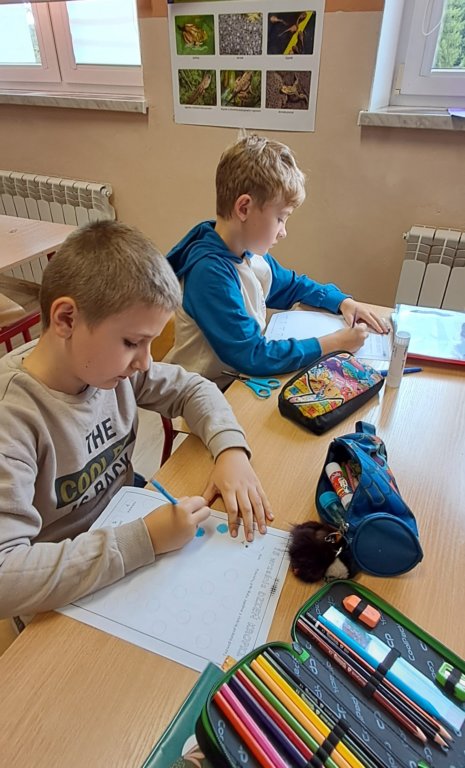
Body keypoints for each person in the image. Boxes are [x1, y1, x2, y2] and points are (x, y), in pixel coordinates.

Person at [0, 220, 273, 621]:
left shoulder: (107, 370)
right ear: (66, 320)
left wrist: (230, 449)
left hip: (125, 525)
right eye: (132, 342)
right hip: (58, 590)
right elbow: (6, 578)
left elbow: (193, 389)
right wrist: (142, 540)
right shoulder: (13, 419)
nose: (145, 362)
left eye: (150, 343)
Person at [164, 133, 389, 389]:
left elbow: (293, 286)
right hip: (200, 394)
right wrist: (335, 344)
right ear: (244, 208)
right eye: (280, 218)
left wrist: (342, 302)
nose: (283, 232)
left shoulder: (248, 253)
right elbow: (252, 355)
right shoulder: (209, 273)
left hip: (235, 384)